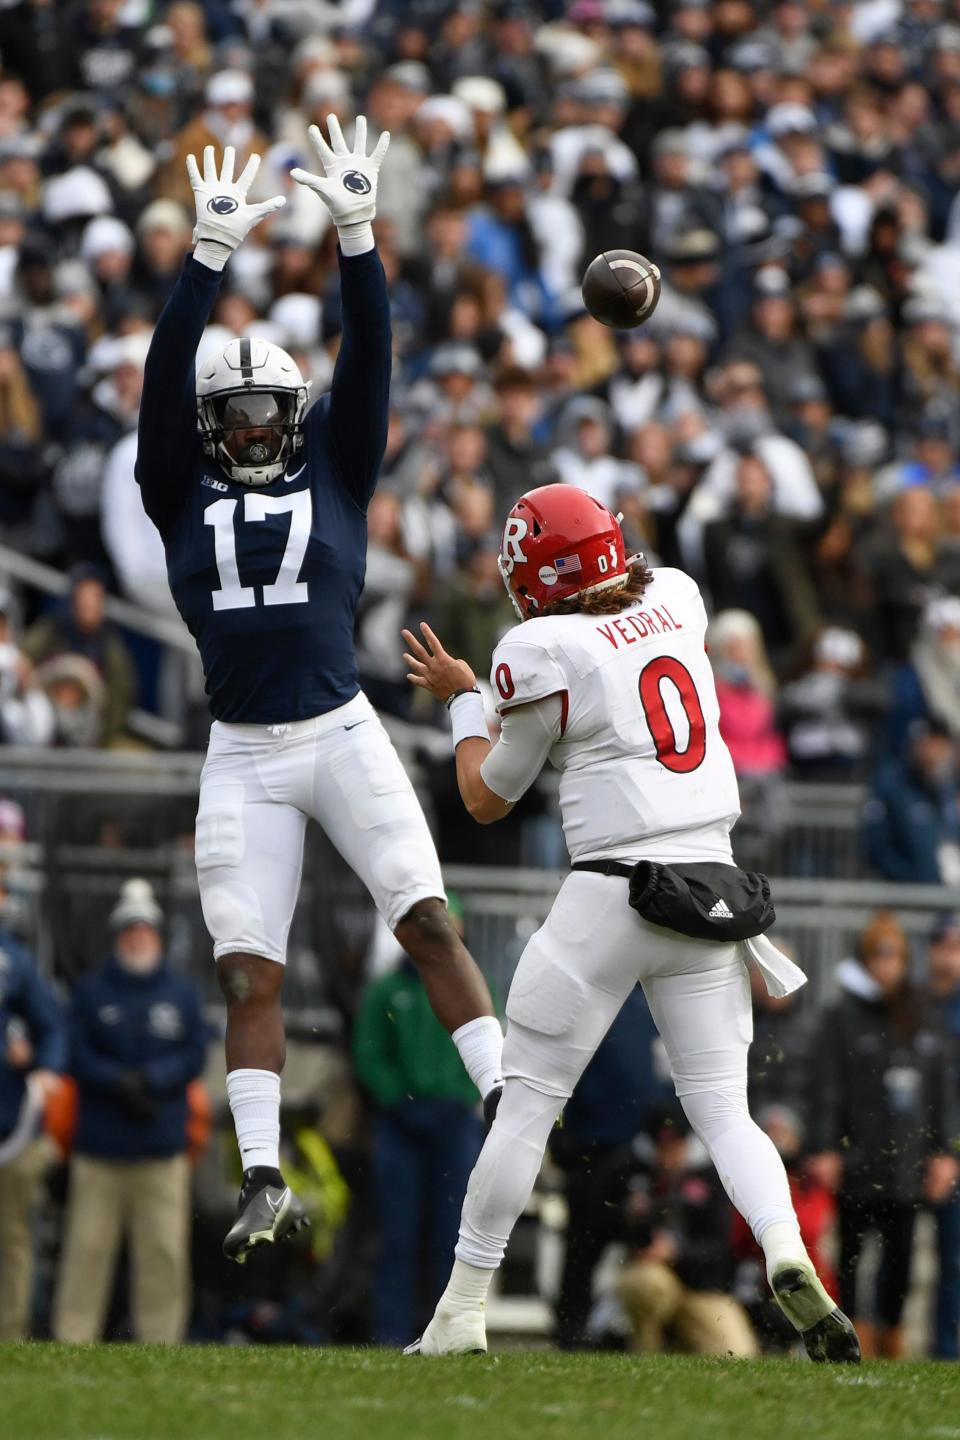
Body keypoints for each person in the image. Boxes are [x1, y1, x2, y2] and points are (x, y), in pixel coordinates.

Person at [135, 125, 503, 1264]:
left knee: (430, 918)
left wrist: (357, 236)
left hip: (340, 729)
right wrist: (203, 261)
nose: (250, 428)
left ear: (290, 419)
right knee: (248, 966)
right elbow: (160, 381)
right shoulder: (173, 491)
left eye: (264, 415)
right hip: (243, 748)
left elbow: (375, 356)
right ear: (211, 428)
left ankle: (506, 1106)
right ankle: (260, 1176)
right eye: (233, 417)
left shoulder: (339, 469)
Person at [400, 482, 859, 1362]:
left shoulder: (538, 646)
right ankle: (787, 1249)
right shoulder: (677, 597)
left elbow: (485, 795)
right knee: (726, 1109)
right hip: (713, 886)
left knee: (527, 1108)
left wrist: (464, 701)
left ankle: (460, 1312)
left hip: (612, 891)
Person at [53, 880, 208, 1343]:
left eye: (145, 930)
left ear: (157, 936)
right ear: (117, 936)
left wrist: (152, 1082)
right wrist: (117, 1082)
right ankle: (72, 1342)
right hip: (100, 1151)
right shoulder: (93, 992)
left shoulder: (181, 993)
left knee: (163, 1255)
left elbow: (195, 1054)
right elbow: (75, 1053)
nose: (137, 938)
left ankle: (162, 1342)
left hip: (160, 1151)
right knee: (85, 1252)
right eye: (129, 930)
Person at [808, 912, 959, 1359]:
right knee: (851, 1256)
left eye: (894, 957)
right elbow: (826, 1086)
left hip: (907, 1164)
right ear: (864, 959)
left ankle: (891, 1337)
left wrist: (946, 1152)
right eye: (878, 956)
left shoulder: (921, 1014)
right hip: (856, 1161)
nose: (886, 966)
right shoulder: (841, 1018)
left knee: (901, 1261)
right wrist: (824, 1147)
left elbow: (942, 1092)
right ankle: (853, 1338)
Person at [353, 911, 485, 1347]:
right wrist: (399, 1099)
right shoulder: (387, 991)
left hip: (454, 1124)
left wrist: (462, 1098)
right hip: (400, 1125)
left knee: (454, 1235)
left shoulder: (473, 985)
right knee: (397, 1235)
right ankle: (391, 1331)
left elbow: (492, 1042)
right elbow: (369, 1053)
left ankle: (446, 1330)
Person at [617, 1103, 757, 1357]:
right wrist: (632, 1219)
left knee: (737, 1353)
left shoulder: (712, 1176)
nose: (669, 1156)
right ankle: (645, 1352)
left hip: (702, 1287)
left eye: (675, 1147)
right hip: (653, 1278)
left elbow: (721, 1246)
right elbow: (603, 1229)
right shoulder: (635, 1175)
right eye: (662, 1148)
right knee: (645, 1285)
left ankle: (683, 1340)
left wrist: (676, 1251)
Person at [0, 910, 65, 1340]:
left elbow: (51, 1024)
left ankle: (11, 1332)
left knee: (12, 1237)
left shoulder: (11, 958)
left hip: (8, 1126)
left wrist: (45, 1067)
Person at [926, 912, 960, 1361]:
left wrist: (951, 1152)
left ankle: (947, 1350)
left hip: (949, 1154)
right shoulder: (915, 1005)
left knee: (953, 1260)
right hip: (908, 1150)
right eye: (945, 945)